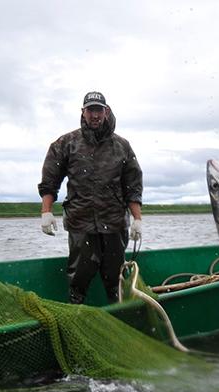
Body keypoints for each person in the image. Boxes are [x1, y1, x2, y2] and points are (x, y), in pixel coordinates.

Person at [38, 91, 143, 304]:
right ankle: (77, 312)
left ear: (106, 112)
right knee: (78, 279)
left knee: (116, 279)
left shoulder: (122, 146)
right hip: (81, 223)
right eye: (90, 110)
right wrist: (46, 212)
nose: (95, 115)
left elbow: (132, 185)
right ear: (83, 112)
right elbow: (50, 180)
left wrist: (137, 219)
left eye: (99, 110)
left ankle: (119, 316)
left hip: (114, 224)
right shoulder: (66, 143)